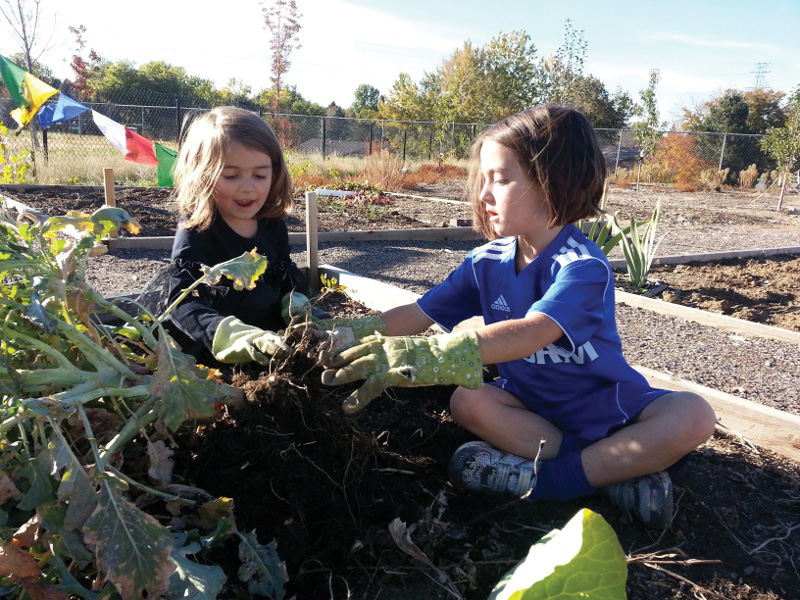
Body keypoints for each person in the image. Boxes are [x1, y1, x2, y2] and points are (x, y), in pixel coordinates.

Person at [307, 106, 717, 529]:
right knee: (469, 400)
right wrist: (351, 332)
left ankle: (551, 481)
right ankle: (612, 478)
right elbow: (418, 311)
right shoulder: (485, 262)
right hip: (532, 411)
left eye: (500, 179)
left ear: (554, 181)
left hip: (608, 409)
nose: (484, 194)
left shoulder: (581, 266)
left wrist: (432, 354)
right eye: (484, 179)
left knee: (693, 415)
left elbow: (534, 332)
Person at [163, 106, 309, 367]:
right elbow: (181, 301)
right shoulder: (198, 229)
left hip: (268, 345)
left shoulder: (272, 225)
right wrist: (231, 336)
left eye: (260, 174)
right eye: (230, 175)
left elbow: (284, 276)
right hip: (210, 354)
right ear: (201, 175)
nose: (248, 187)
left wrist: (300, 308)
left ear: (274, 173)